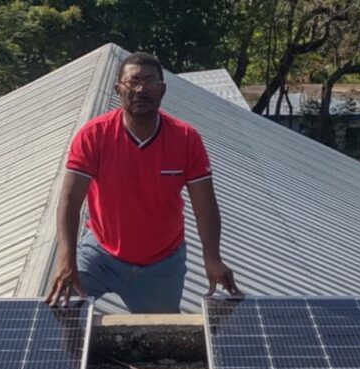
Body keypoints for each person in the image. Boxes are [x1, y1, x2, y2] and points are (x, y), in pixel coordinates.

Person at [43, 52, 242, 313]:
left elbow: (205, 206)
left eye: (149, 82)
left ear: (163, 89)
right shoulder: (94, 135)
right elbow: (69, 202)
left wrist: (213, 259)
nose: (141, 89)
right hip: (100, 254)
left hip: (162, 263)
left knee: (161, 341)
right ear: (117, 89)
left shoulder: (186, 138)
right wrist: (65, 259)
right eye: (133, 81)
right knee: (58, 314)